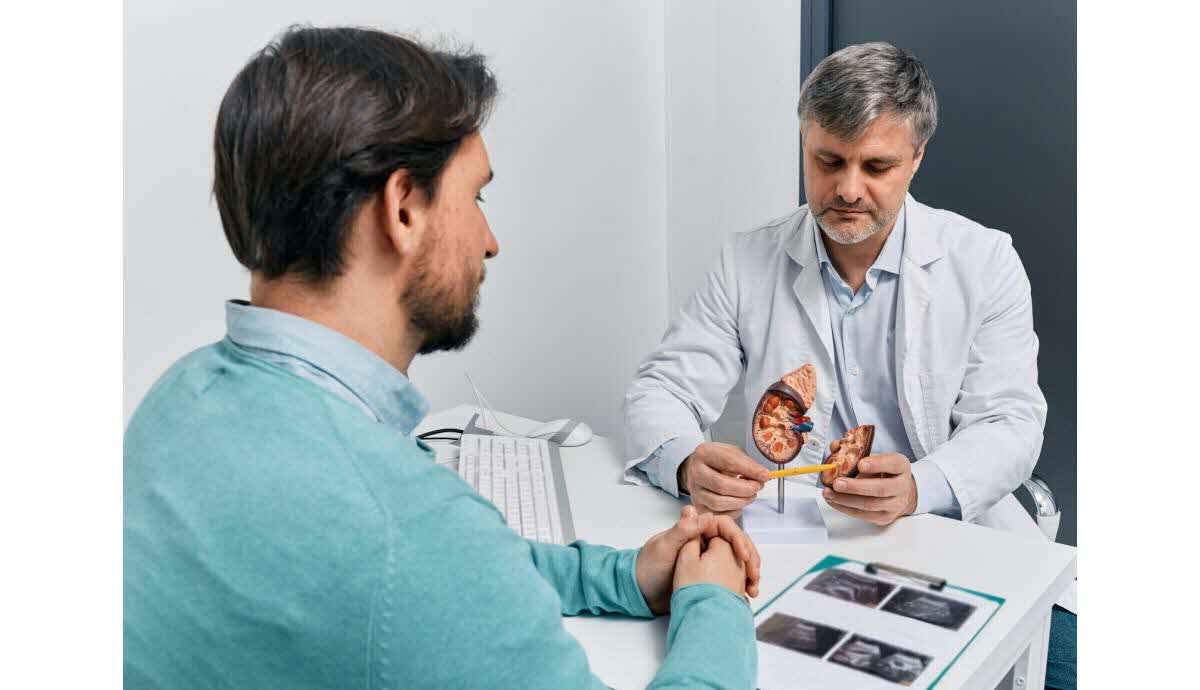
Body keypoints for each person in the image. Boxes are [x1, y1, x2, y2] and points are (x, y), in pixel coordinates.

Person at [124, 26, 760, 690]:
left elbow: (425, 575)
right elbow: (423, 566)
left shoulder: (173, 401)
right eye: (476, 197)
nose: (490, 242)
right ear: (403, 209)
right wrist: (713, 599)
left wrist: (619, 577)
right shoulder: (406, 536)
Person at [622, 42, 1075, 689]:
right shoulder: (745, 260)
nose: (847, 189)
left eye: (876, 165)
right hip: (791, 548)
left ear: (916, 158)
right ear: (804, 142)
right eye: (827, 160)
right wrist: (689, 460)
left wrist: (921, 486)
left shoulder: (984, 261)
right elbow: (661, 389)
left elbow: (1011, 422)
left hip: (955, 541)